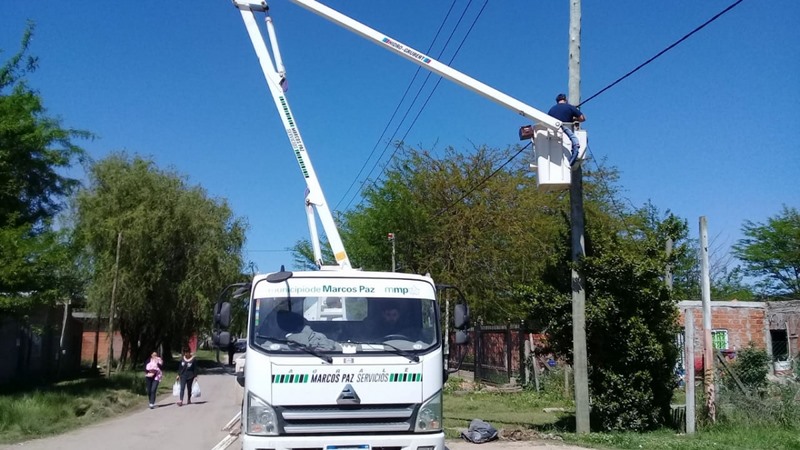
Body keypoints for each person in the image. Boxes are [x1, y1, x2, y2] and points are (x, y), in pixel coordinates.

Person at [547, 93, 586, 166]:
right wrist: (574, 118)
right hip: (567, 136)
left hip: (552, 138)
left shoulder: (551, 110)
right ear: (566, 100)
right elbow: (582, 118)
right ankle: (574, 154)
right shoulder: (570, 107)